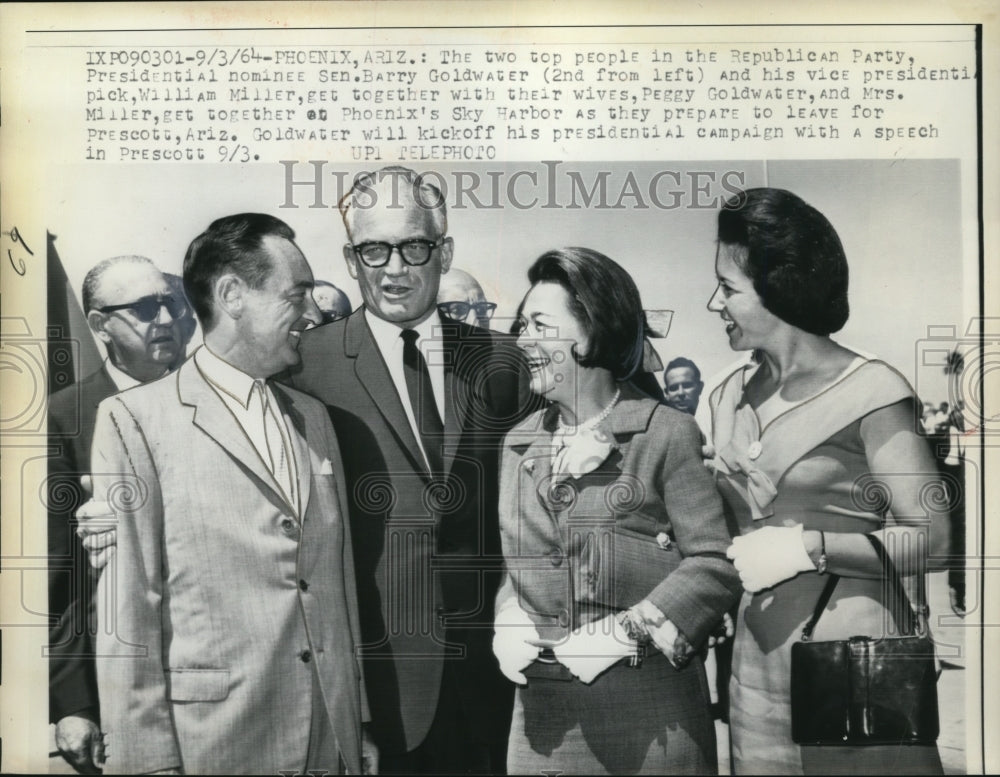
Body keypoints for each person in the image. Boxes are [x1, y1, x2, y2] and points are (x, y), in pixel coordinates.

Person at [91, 214, 374, 774]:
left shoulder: (314, 418)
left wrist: (356, 723)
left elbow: (334, 583)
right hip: (214, 747)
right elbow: (128, 613)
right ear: (231, 296)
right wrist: (147, 764)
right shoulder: (132, 421)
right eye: (295, 294)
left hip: (330, 742)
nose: (310, 312)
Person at [284, 167, 537, 774]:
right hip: (378, 687)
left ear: (443, 252)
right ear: (351, 259)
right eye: (374, 249)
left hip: (496, 676)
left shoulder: (503, 363)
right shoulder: (305, 367)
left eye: (414, 247)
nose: (394, 269)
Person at [707, 188, 948, 774]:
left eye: (729, 289)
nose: (714, 303)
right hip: (754, 671)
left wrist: (809, 547)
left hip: (852, 665)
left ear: (779, 288)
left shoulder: (873, 391)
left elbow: (935, 541)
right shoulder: (726, 395)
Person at [494, 247, 741, 775]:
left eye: (539, 325)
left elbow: (715, 562)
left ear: (588, 332)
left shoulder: (665, 432)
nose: (522, 341)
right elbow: (520, 562)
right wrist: (507, 614)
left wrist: (625, 632)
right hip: (542, 726)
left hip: (650, 722)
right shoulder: (517, 444)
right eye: (521, 325)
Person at [48, 255, 188, 773]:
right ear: (100, 324)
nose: (166, 319)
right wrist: (74, 703)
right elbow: (57, 574)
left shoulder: (212, 403)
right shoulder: (64, 417)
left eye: (170, 303)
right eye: (145, 309)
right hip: (124, 680)